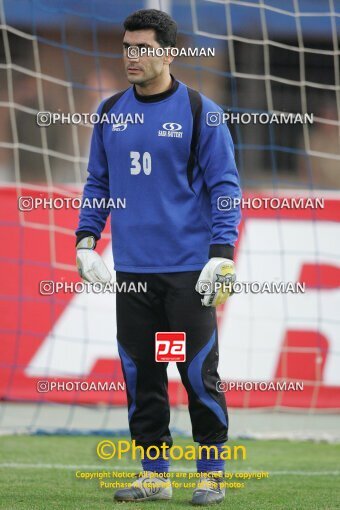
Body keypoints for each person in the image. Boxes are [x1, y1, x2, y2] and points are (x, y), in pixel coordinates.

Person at [75, 8, 241, 506]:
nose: (132, 56)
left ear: (169, 53)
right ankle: (155, 476)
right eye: (127, 47)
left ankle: (211, 475)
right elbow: (98, 184)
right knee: (141, 374)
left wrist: (221, 254)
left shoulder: (199, 111)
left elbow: (226, 186)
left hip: (188, 273)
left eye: (143, 48)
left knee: (195, 374)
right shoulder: (108, 113)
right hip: (133, 275)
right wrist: (86, 240)